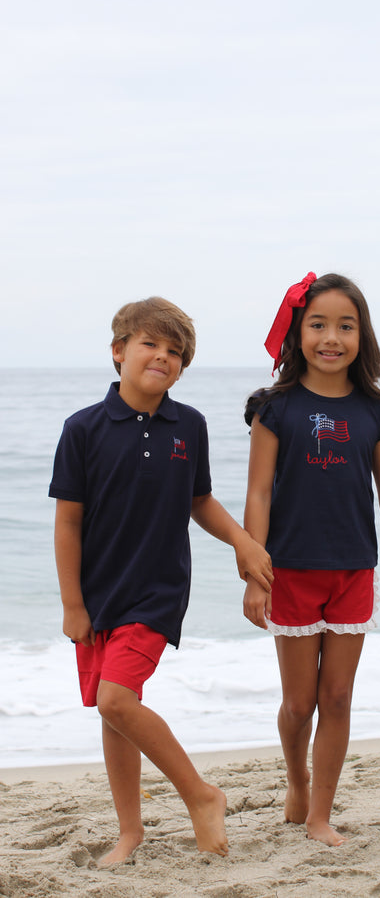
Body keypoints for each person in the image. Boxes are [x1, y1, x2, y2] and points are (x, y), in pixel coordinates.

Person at [49, 297, 273, 865]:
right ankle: (131, 830)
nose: (163, 357)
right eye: (151, 344)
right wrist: (73, 604)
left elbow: (199, 500)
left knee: (117, 699)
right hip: (99, 594)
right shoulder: (82, 429)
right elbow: (68, 522)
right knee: (114, 709)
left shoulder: (188, 425)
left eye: (175, 352)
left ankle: (201, 795)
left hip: (157, 590)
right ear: (119, 350)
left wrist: (244, 542)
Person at [243, 272, 380, 847]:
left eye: (346, 326)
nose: (331, 337)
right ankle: (296, 782)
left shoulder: (376, 412)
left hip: (353, 569)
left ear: (361, 335)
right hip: (290, 570)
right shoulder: (275, 409)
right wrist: (254, 573)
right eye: (318, 324)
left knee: (338, 697)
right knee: (299, 703)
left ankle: (321, 812)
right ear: (298, 333)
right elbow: (259, 494)